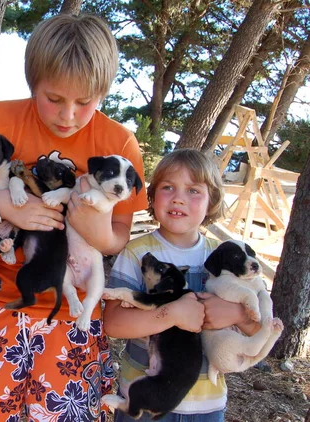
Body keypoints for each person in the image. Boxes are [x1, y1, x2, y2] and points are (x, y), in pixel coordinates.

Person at [0, 14, 148, 421]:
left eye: (85, 102)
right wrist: (2, 206)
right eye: (54, 98)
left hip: (73, 313)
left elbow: (120, 232)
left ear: (104, 93)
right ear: (32, 82)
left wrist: (99, 234)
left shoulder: (119, 143)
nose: (69, 115)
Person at [104, 148, 262, 421]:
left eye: (193, 190)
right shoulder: (137, 252)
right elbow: (113, 324)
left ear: (211, 200)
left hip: (207, 404)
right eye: (168, 187)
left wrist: (237, 314)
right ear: (151, 197)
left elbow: (258, 329)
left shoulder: (227, 257)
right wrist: (172, 314)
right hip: (141, 400)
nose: (179, 198)